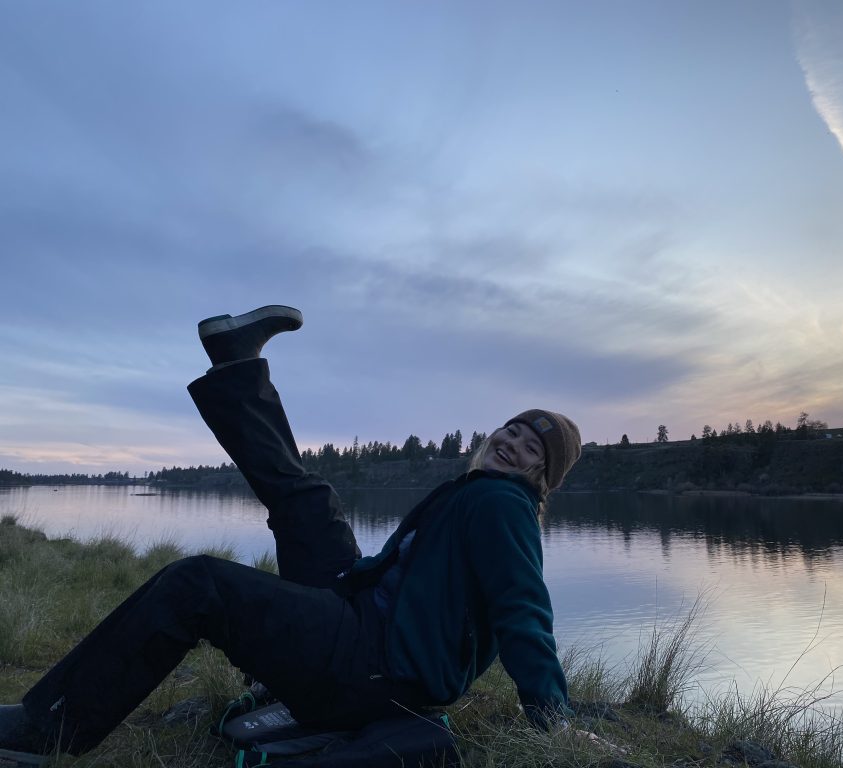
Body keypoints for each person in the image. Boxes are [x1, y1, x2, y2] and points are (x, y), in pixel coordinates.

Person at [0, 305, 582, 765]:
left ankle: (47, 729)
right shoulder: (480, 491)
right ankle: (238, 365)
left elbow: (522, 608)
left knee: (198, 583)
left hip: (378, 669)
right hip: (372, 624)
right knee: (309, 505)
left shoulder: (503, 504)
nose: (512, 444)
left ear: (540, 475)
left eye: (532, 450)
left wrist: (552, 720)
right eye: (512, 431)